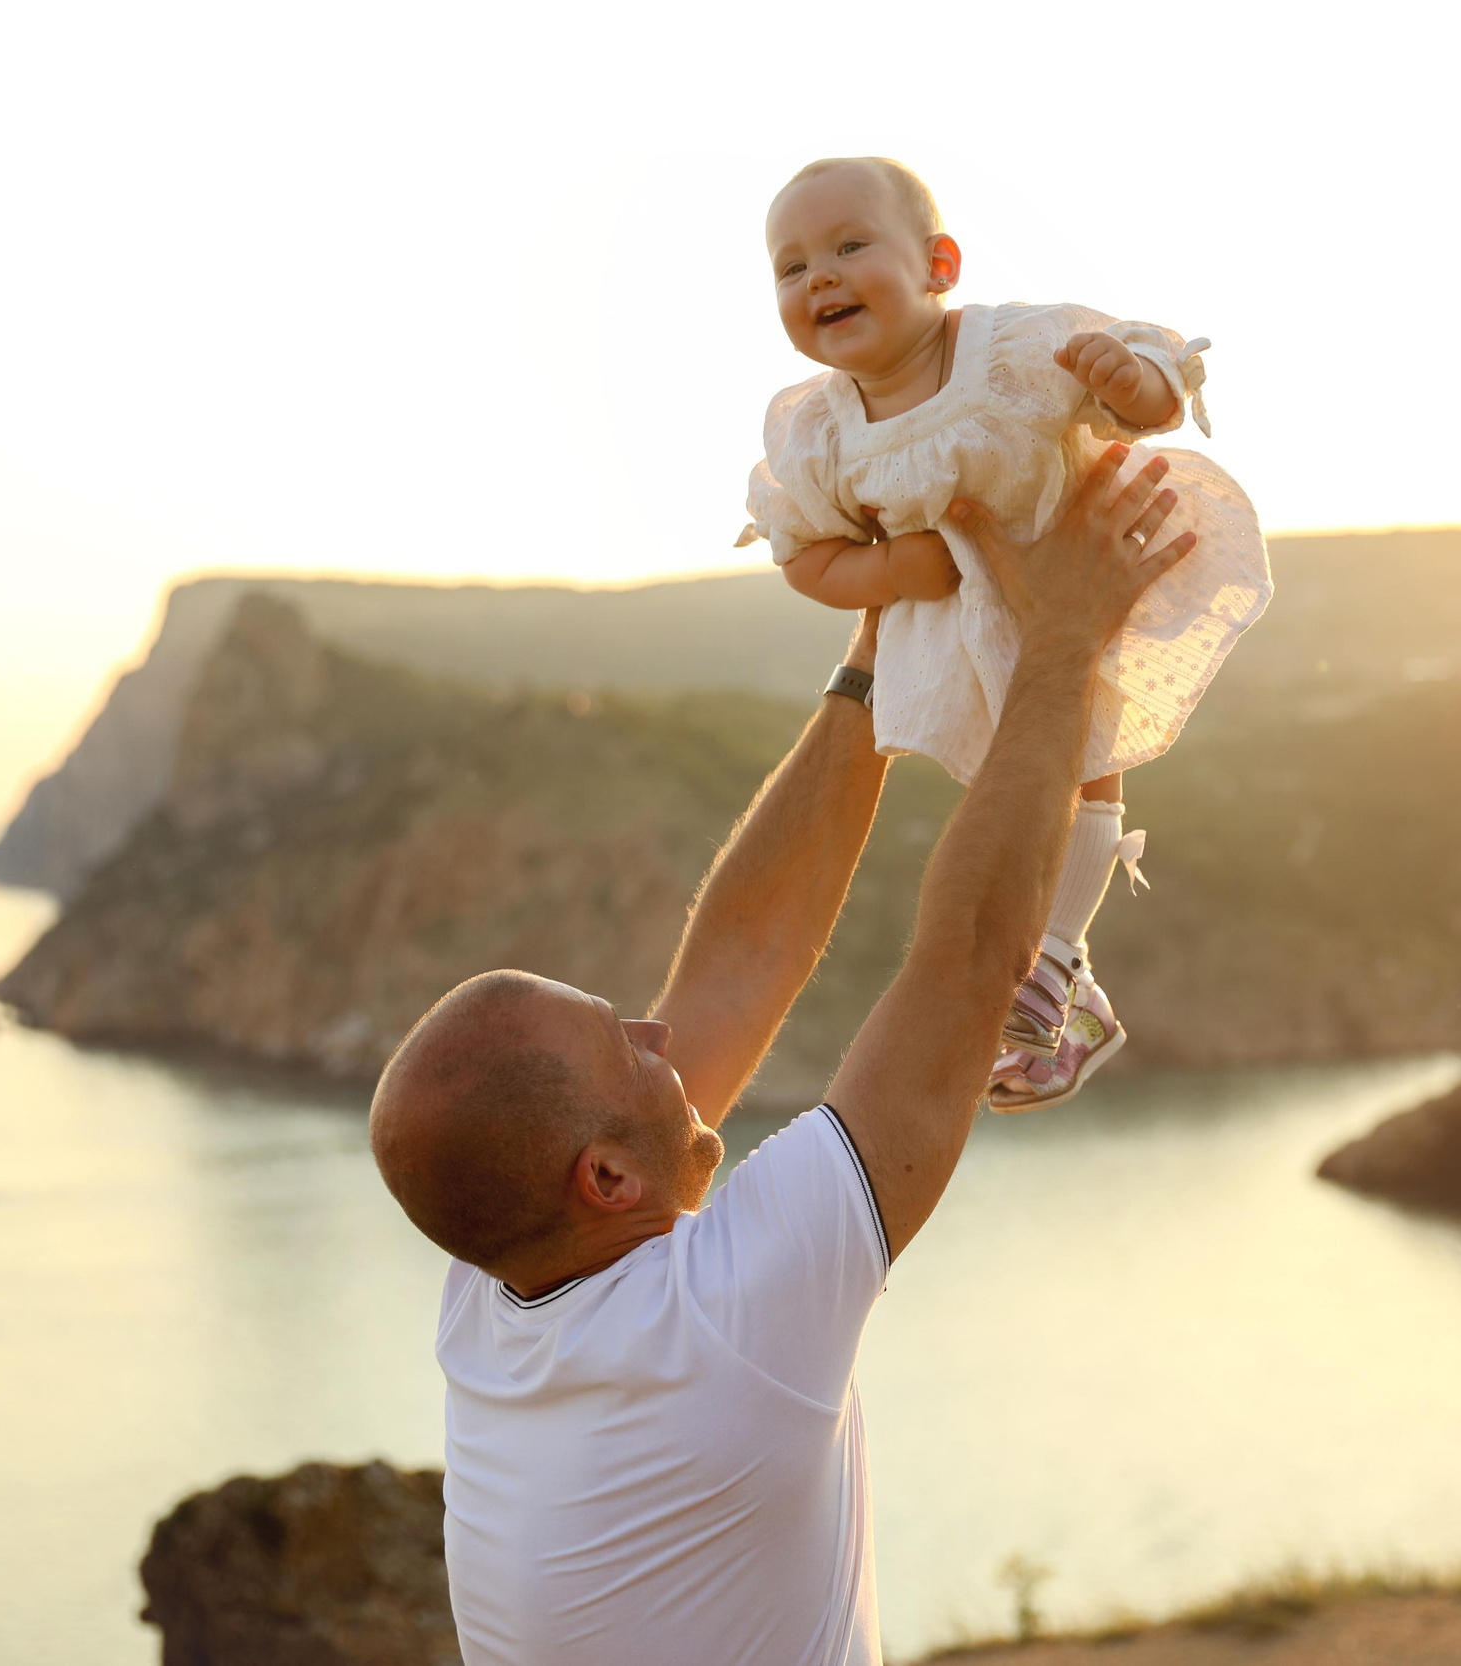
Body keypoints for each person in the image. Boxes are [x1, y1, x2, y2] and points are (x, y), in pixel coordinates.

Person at [367, 446, 1194, 1666]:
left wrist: (877, 651)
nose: (661, 1033)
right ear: (606, 1178)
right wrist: (1065, 636)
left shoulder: (496, 1284)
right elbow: (972, 963)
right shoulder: (728, 1322)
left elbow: (740, 960)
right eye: (627, 1047)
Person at [738, 155, 1273, 1108]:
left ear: (938, 265)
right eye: (792, 266)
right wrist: (890, 573)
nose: (819, 276)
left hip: (1079, 576)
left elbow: (1146, 389)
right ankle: (1074, 992)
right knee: (1015, 806)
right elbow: (804, 556)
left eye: (850, 247)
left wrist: (1133, 380)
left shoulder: (1014, 349)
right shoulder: (817, 434)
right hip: (959, 632)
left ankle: (1053, 962)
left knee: (1087, 762)